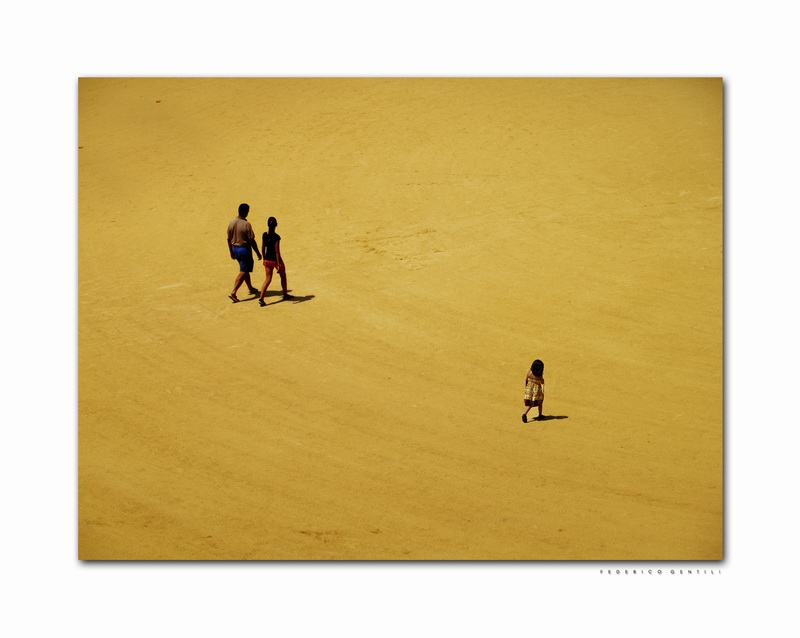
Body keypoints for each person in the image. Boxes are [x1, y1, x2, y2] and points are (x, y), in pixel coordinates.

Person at [227, 203, 262, 302]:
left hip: (234, 248)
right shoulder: (247, 224)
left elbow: (228, 239)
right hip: (244, 250)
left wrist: (231, 252)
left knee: (244, 268)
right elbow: (252, 241)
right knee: (244, 271)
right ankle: (233, 292)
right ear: (246, 212)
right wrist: (258, 253)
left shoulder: (232, 222)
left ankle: (250, 287)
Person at [258, 216, 294, 306]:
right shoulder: (276, 237)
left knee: (268, 279)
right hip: (275, 260)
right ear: (276, 225)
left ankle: (261, 298)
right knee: (283, 276)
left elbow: (263, 248)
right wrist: (278, 264)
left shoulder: (264, 235)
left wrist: (264, 259)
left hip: (267, 260)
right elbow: (277, 251)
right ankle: (285, 294)